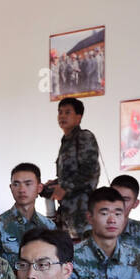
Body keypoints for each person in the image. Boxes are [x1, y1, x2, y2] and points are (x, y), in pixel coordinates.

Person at [63, 186, 140, 279]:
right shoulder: (71, 257)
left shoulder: (139, 258)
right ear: (90, 217)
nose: (112, 220)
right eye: (104, 213)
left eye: (118, 214)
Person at [41, 98, 100, 238]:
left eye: (67, 112)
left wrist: (64, 187)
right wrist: (55, 184)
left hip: (82, 211)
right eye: (60, 112)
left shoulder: (84, 136)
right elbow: (70, 174)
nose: (62, 116)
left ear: (79, 117)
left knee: (83, 251)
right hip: (67, 212)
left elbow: (90, 170)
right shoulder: (66, 141)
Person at [0, 163, 55, 268]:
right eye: (16, 184)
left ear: (39, 188)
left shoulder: (49, 226)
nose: (22, 190)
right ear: (11, 188)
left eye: (28, 184)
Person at [109, 175, 140, 253]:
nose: (118, 203)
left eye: (125, 200)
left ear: (135, 204)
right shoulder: (92, 227)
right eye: (114, 197)